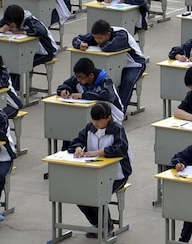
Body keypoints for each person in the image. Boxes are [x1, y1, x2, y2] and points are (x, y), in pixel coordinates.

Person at [68, 102, 131, 238]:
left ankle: (107, 225)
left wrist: (99, 152)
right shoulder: (89, 128)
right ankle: (97, 224)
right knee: (78, 195)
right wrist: (78, 148)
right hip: (93, 173)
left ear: (108, 118)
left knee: (97, 193)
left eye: (99, 121)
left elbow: (120, 149)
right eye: (93, 120)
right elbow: (77, 140)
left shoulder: (117, 130)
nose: (96, 124)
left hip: (117, 174)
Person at [71, 20, 147, 114]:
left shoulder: (121, 34)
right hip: (114, 63)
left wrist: (95, 43)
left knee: (127, 81)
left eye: (100, 38)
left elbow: (110, 47)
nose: (97, 41)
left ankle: (121, 110)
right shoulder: (98, 35)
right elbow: (76, 39)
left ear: (108, 35)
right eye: (95, 38)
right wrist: (80, 44)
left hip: (135, 64)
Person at [57, 58, 124, 123]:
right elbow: (65, 84)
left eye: (80, 77)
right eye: (76, 77)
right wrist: (64, 90)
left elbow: (106, 95)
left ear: (91, 75)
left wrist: (82, 95)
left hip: (114, 116)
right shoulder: (78, 79)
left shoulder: (105, 81)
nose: (78, 80)